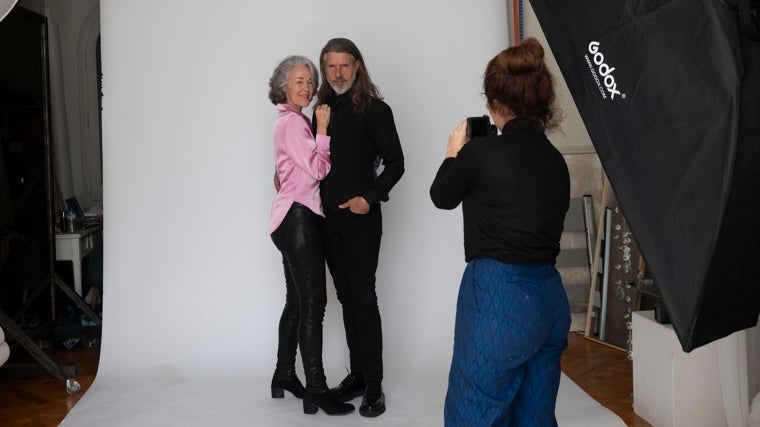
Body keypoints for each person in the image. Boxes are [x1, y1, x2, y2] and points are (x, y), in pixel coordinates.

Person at [429, 37, 571, 426]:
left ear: (494, 103)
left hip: (499, 300)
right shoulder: (556, 161)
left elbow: (441, 196)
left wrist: (452, 152)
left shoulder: (479, 153)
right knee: (536, 418)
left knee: (472, 415)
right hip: (549, 301)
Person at [316, 37, 405, 418]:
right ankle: (357, 376)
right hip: (326, 222)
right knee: (347, 299)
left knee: (364, 299)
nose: (337, 74)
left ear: (357, 67)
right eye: (331, 67)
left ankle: (374, 385)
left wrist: (368, 197)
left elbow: (397, 163)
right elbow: (312, 161)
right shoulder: (321, 111)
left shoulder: (376, 111)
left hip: (361, 220)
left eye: (344, 66)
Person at [267, 55, 354, 416]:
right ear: (283, 86)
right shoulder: (293, 123)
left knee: (298, 302)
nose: (307, 87)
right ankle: (316, 388)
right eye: (299, 81)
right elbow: (318, 168)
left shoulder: (290, 122)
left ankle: (284, 374)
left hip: (289, 218)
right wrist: (323, 128)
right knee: (314, 304)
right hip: (298, 219)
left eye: (309, 81)